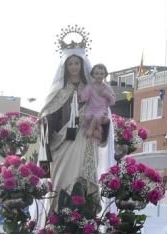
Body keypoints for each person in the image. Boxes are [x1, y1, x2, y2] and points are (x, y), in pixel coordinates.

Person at [38, 50, 113, 217]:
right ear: (65, 66)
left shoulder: (92, 89)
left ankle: (84, 222)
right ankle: (58, 223)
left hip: (85, 139)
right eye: (70, 63)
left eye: (76, 63)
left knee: (83, 181)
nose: (73, 67)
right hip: (62, 144)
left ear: (82, 65)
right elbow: (49, 113)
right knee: (61, 183)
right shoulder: (59, 91)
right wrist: (45, 122)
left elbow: (103, 112)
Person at [79, 64, 115, 140]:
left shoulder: (107, 88)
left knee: (97, 117)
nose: (99, 76)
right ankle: (97, 131)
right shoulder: (90, 87)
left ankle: (91, 130)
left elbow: (113, 101)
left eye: (101, 74)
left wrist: (107, 95)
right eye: (97, 73)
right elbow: (84, 97)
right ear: (93, 75)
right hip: (91, 108)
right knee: (87, 116)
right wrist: (80, 94)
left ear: (105, 75)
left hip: (102, 109)